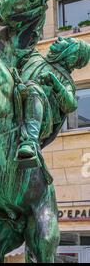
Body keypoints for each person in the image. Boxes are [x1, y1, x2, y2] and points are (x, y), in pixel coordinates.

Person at [16, 37, 90, 168]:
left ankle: (30, 142)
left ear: (71, 55)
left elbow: (70, 105)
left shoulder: (65, 81)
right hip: (16, 97)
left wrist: (55, 82)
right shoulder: (34, 56)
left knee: (34, 89)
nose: (60, 38)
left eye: (67, 41)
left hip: (39, 118)